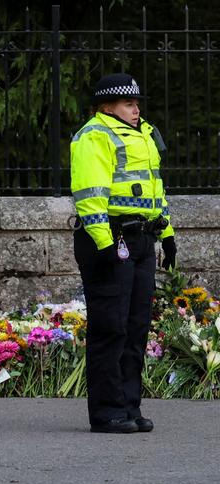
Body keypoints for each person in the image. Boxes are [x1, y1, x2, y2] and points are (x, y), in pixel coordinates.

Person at [70, 72, 176, 434]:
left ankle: (129, 405)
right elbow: (90, 195)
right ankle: (107, 412)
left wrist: (168, 233)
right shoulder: (94, 135)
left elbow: (155, 190)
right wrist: (102, 243)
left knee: (136, 328)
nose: (136, 109)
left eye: (136, 103)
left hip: (143, 239)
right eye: (129, 103)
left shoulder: (144, 135)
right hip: (111, 240)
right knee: (110, 328)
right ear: (106, 106)